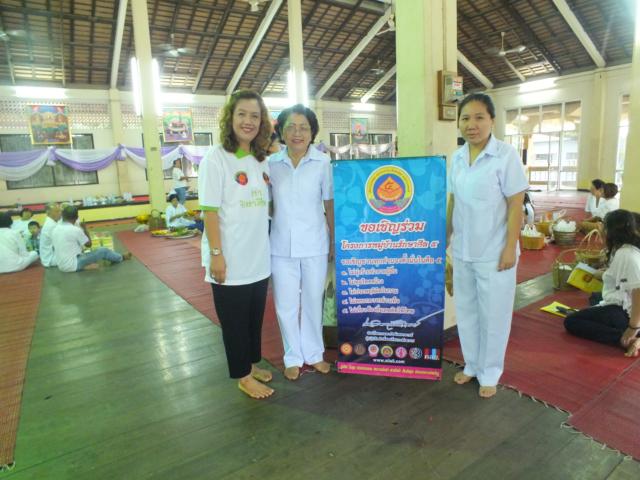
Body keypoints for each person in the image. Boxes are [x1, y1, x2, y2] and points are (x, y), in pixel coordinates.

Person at [447, 93, 529, 398]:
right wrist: (444, 238)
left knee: (494, 315)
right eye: (465, 118)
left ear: (492, 120)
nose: (472, 124)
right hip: (463, 249)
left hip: (495, 251)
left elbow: (516, 204)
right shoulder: (456, 158)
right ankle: (472, 365)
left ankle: (490, 372)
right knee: (467, 310)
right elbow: (453, 201)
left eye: (479, 117)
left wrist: (510, 247)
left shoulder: (505, 156)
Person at [198, 89, 274, 399]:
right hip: (229, 258)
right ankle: (243, 376)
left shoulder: (260, 159)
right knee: (234, 322)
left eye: (255, 116)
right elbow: (209, 212)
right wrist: (216, 254)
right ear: (230, 118)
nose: (248, 121)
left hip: (258, 257)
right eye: (242, 114)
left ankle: (251, 364)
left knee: (254, 318)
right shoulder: (216, 159)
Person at [269, 104, 334, 381]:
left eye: (304, 127)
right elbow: (267, 204)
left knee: (312, 300)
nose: (297, 133)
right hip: (280, 246)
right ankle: (293, 357)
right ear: (281, 132)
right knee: (285, 305)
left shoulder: (323, 163)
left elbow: (329, 203)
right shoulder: (271, 164)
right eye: (291, 127)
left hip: (315, 244)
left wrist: (334, 240)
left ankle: (315, 354)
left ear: (312, 132)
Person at [564, 209, 640, 357]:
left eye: (603, 226)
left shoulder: (626, 254)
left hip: (628, 312)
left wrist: (632, 328)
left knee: (572, 321)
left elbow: (638, 292)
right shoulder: (627, 249)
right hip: (626, 303)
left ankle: (624, 339)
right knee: (595, 297)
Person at [52, 206, 131, 272]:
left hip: (61, 265)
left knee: (84, 252)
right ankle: (121, 257)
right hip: (73, 264)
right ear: (76, 218)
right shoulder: (75, 230)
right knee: (103, 251)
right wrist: (85, 229)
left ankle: (86, 266)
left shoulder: (56, 228)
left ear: (62, 216)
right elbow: (89, 244)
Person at [39, 203, 61, 267]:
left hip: (50, 256)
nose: (60, 213)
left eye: (60, 211)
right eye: (57, 211)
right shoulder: (51, 225)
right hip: (51, 259)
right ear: (48, 213)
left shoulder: (53, 222)